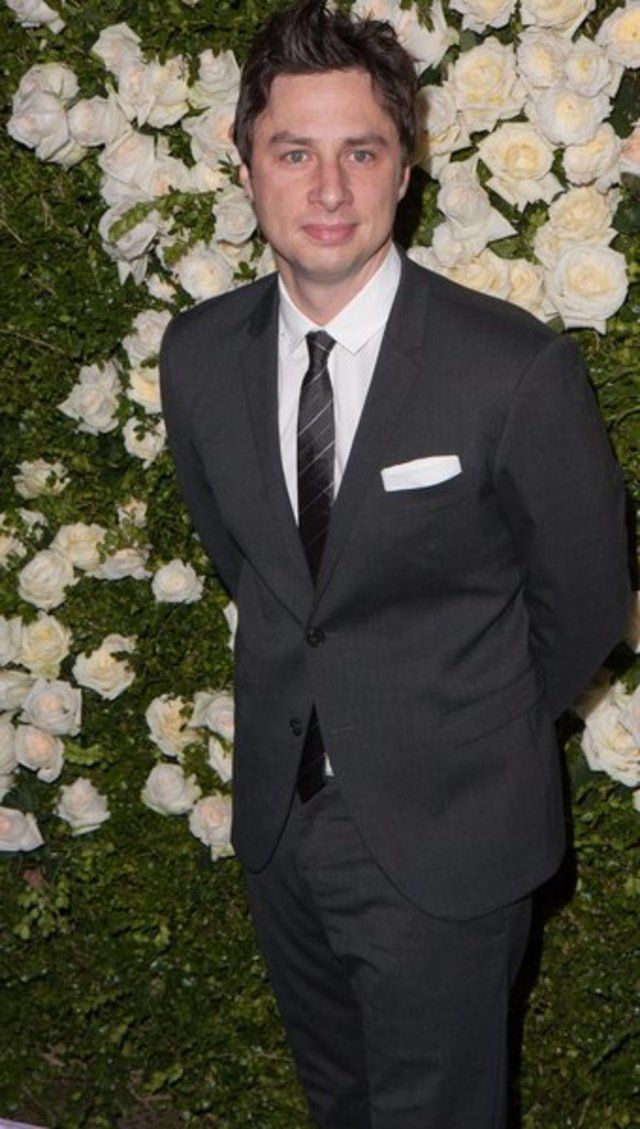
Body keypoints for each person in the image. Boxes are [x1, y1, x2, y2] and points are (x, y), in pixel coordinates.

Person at [159, 2, 631, 1125]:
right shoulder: (199, 355)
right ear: (246, 167)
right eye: (294, 153)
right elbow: (252, 563)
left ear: (406, 168)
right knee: (341, 1103)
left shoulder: (510, 368)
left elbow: (584, 599)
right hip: (281, 827)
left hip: (448, 836)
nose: (328, 188)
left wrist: (463, 722)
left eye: (361, 152)